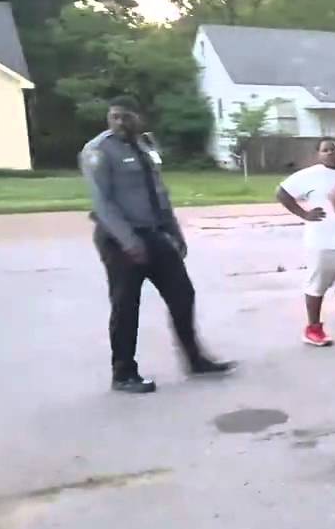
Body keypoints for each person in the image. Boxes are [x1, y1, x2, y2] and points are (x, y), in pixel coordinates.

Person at [82, 95, 233, 393]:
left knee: (182, 294)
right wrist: (128, 241)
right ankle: (124, 373)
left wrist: (175, 233)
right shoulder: (98, 150)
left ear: (140, 117)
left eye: (126, 116)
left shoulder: (145, 145)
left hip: (154, 233)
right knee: (126, 305)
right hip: (118, 239)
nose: (120, 122)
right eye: (114, 116)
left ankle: (196, 360)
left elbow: (159, 194)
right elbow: (103, 203)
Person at [276, 138, 335, 346]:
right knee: (317, 285)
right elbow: (281, 193)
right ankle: (313, 329)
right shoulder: (309, 176)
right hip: (321, 242)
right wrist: (304, 213)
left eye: (333, 149)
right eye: (325, 150)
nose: (330, 153)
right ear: (318, 154)